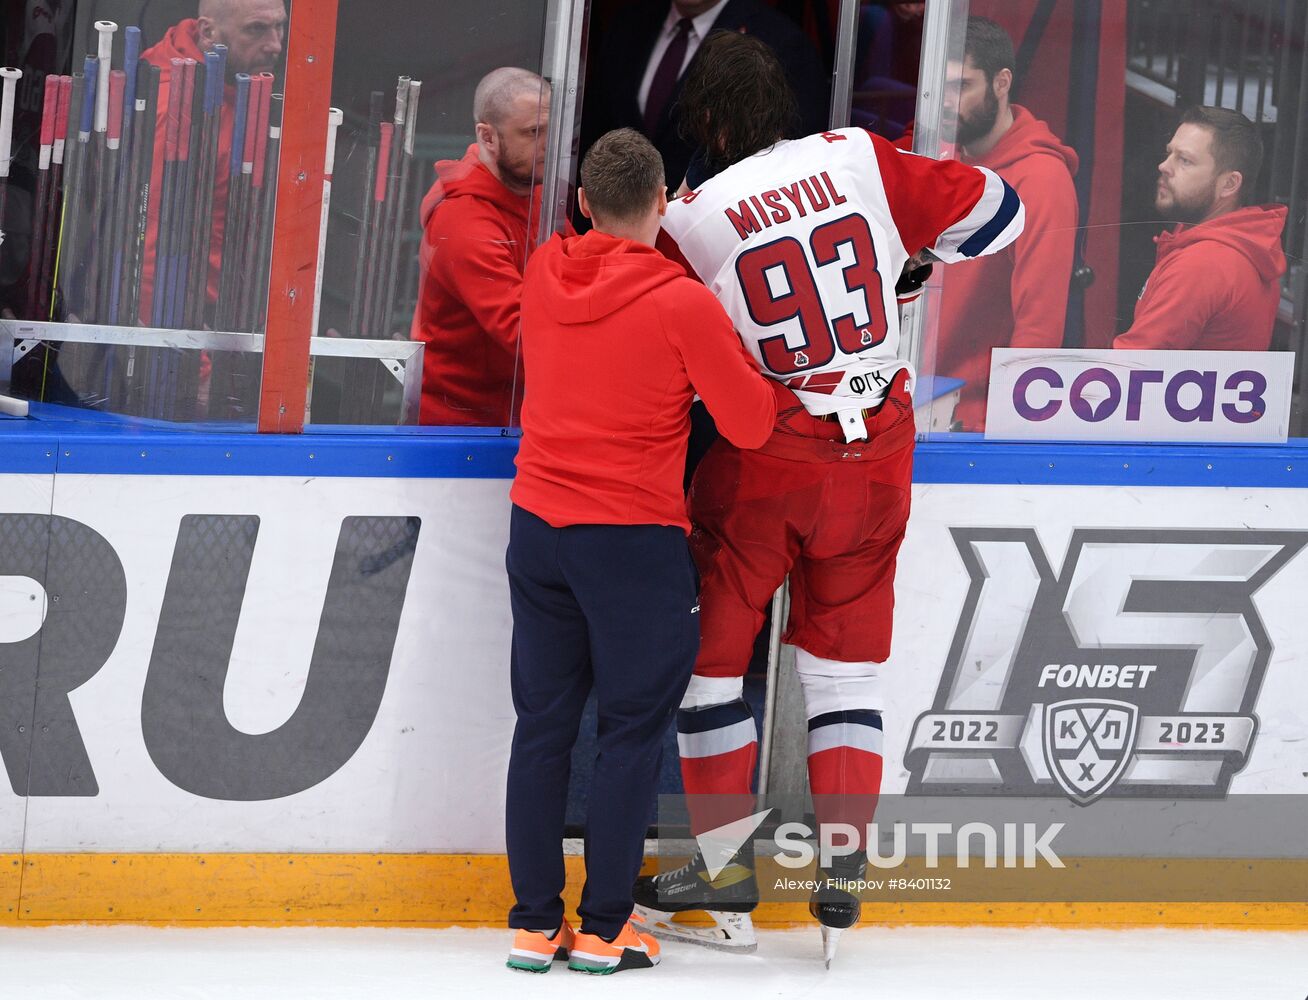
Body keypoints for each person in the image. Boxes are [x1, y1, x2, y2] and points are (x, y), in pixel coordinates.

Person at [631, 31, 1023, 963]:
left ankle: (725, 878)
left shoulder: (692, 220)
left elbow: (659, 353)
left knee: (713, 667)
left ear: (711, 120)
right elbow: (1000, 214)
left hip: (767, 458)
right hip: (879, 448)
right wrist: (913, 265)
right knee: (847, 674)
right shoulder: (856, 156)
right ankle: (841, 868)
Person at [503, 127, 788, 975]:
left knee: (543, 728)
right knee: (631, 732)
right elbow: (751, 423)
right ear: (663, 206)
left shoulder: (542, 272)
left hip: (537, 529)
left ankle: (531, 922)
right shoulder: (680, 301)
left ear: (583, 204)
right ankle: (602, 927)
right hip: (632, 541)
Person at [915, 17, 1078, 431]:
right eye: (941, 85)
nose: (946, 100)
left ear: (1001, 83)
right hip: (914, 400)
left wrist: (1006, 428)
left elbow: (1038, 329)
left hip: (973, 422)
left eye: (961, 86)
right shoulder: (938, 152)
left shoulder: (1042, 180)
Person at [411, 67, 556, 426]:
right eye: (533, 133)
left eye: (554, 131)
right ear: (487, 136)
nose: (548, 144)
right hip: (459, 434)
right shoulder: (462, 220)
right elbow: (521, 329)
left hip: (518, 417)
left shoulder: (540, 191)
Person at [582, 0, 826, 196]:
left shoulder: (779, 41)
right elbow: (594, 128)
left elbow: (789, 152)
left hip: (715, 236)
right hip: (616, 223)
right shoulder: (628, 23)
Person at [140, 0, 288, 318]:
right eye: (257, 29)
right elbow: (149, 247)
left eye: (279, 26)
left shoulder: (244, 85)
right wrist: (184, 351)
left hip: (234, 316)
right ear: (208, 31)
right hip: (189, 325)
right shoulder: (173, 108)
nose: (275, 45)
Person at [1114, 106, 1287, 352]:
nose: (1164, 166)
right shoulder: (1238, 245)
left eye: (1185, 160)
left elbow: (1130, 366)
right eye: (1169, 153)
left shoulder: (1203, 263)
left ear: (1229, 184)